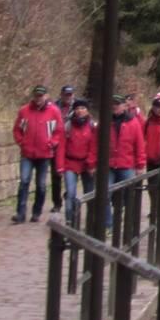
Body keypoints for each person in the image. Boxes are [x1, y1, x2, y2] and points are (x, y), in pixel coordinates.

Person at [12, 84, 61, 223]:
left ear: (46, 96)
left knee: (41, 185)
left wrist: (52, 143)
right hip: (27, 153)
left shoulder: (54, 111)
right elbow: (17, 129)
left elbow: (59, 131)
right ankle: (20, 213)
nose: (38, 98)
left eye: (41, 96)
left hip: (44, 154)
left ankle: (36, 212)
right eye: (36, 95)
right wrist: (22, 142)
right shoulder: (24, 111)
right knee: (24, 182)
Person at [107, 94, 147, 229]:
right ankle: (108, 224)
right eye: (112, 104)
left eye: (117, 104)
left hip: (126, 163)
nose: (114, 107)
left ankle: (128, 222)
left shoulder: (133, 122)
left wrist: (140, 165)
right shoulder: (106, 121)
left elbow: (139, 144)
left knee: (129, 193)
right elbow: (97, 143)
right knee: (105, 192)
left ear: (124, 106)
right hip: (109, 164)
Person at [57, 99, 97, 228]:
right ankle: (70, 221)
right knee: (71, 192)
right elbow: (61, 146)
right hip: (70, 162)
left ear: (87, 110)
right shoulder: (68, 126)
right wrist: (60, 165)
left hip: (87, 164)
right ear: (74, 110)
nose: (80, 111)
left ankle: (92, 220)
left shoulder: (92, 126)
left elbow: (94, 146)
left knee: (89, 192)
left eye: (83, 108)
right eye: (78, 108)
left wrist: (91, 164)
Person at [50, 84, 76, 213]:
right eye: (66, 94)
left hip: (71, 144)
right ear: (61, 95)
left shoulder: (77, 107)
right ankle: (57, 202)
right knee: (56, 174)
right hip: (56, 143)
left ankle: (68, 193)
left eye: (70, 95)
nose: (68, 97)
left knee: (70, 173)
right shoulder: (54, 107)